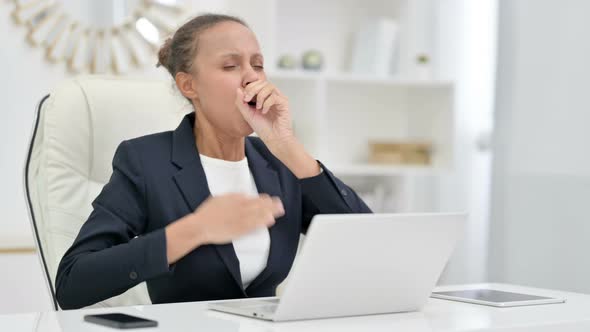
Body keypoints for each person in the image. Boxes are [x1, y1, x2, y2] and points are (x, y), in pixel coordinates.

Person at [55, 13, 371, 310]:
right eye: (231, 65)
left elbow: (367, 243)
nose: (251, 78)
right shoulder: (145, 162)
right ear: (188, 85)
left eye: (258, 65)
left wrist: (287, 145)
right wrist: (197, 229)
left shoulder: (280, 162)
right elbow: (73, 283)